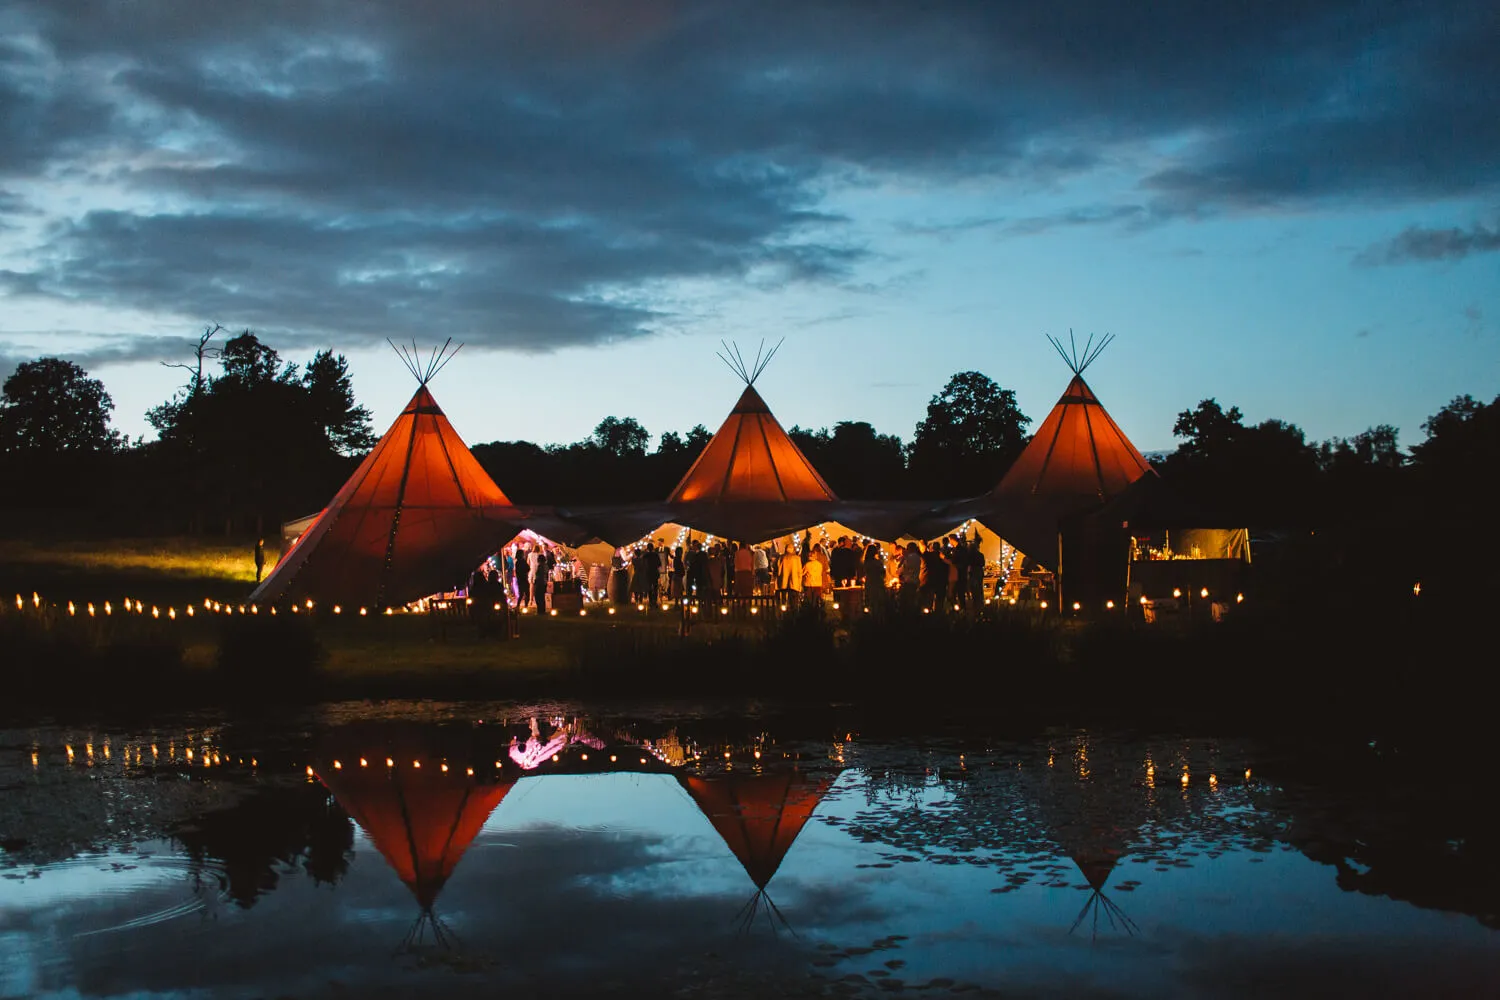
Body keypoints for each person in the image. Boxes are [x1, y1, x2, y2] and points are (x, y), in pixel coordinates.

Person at [899, 542, 922, 611]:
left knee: (907, 602)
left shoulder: (910, 558)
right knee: (911, 601)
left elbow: (903, 568)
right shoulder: (918, 557)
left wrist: (904, 558)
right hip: (914, 582)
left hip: (909, 582)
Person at [862, 542, 885, 610]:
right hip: (878, 583)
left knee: (870, 601)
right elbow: (883, 572)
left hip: (869, 582)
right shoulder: (878, 562)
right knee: (878, 602)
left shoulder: (866, 562)